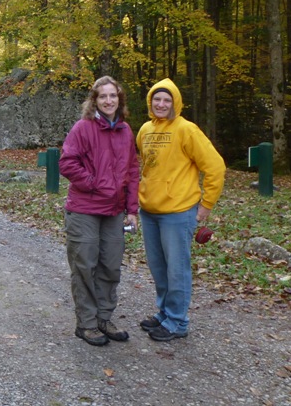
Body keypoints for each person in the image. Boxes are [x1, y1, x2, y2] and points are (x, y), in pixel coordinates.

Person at [136, 78, 226, 342]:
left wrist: (206, 206)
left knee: (177, 269)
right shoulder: (144, 130)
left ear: (175, 102)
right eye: (157, 99)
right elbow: (146, 167)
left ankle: (178, 321)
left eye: (167, 100)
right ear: (150, 101)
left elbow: (215, 167)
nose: (161, 104)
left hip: (178, 212)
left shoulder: (187, 129)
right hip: (149, 211)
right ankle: (164, 312)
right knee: (159, 267)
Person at [59, 76, 139, 346]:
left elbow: (132, 171)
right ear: (94, 100)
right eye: (103, 96)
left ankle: (104, 318)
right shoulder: (83, 128)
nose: (108, 100)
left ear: (120, 99)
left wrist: (132, 209)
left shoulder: (126, 131)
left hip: (115, 211)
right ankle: (87, 324)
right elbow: (67, 163)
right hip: (84, 209)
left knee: (111, 266)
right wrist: (95, 184)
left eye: (113, 96)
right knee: (85, 266)